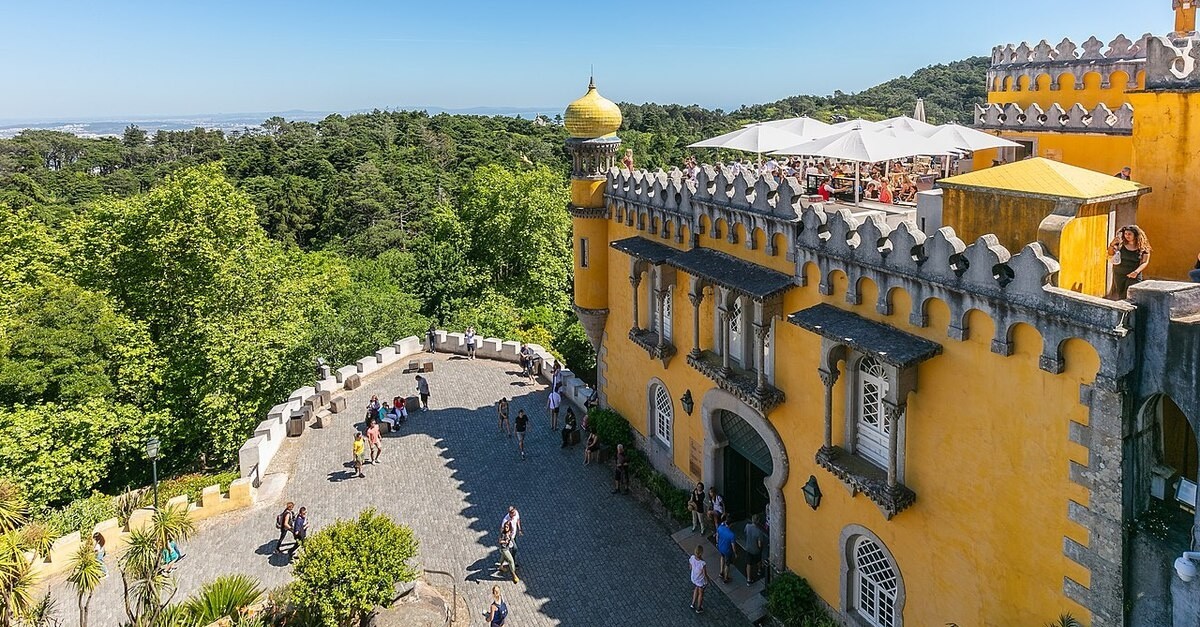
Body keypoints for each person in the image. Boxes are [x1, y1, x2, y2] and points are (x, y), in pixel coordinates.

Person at [1107, 225, 1152, 299]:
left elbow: (1145, 262)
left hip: (1134, 274)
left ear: (1136, 235)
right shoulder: (1120, 245)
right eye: (1125, 234)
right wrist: (1112, 244)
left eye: (1129, 234)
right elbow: (1110, 253)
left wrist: (1136, 272)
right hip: (1119, 273)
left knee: (1133, 295)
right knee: (1121, 295)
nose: (1127, 236)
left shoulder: (1143, 248)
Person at [744, 514, 766, 585]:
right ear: (758, 521)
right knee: (758, 560)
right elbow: (759, 545)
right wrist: (761, 547)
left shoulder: (747, 526)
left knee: (748, 563)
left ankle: (748, 579)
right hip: (756, 550)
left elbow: (745, 533)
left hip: (748, 548)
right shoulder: (759, 532)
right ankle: (759, 570)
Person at [716, 515, 737, 584]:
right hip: (727, 551)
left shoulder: (720, 528)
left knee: (722, 557)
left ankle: (721, 572)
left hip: (720, 547)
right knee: (727, 564)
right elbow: (733, 546)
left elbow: (717, 536)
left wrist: (717, 543)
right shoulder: (731, 535)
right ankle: (726, 578)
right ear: (731, 524)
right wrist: (735, 553)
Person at [689, 544, 708, 614]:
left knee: (696, 588)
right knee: (701, 594)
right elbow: (705, 574)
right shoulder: (702, 563)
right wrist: (707, 581)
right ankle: (699, 608)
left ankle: (693, 603)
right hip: (700, 581)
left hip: (694, 578)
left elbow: (690, 567)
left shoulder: (692, 558)